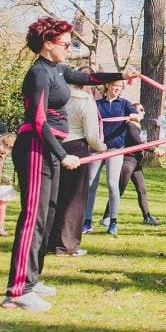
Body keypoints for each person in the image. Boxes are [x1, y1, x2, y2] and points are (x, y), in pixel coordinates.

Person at [4, 16, 131, 312]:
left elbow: (87, 78)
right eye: (65, 44)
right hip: (36, 147)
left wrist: (122, 75)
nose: (69, 49)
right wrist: (63, 154)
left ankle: (32, 283)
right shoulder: (38, 74)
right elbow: (37, 121)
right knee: (34, 218)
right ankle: (17, 290)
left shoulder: (57, 69)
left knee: (48, 214)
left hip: (49, 147)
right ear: (48, 44)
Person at [47, 79, 105, 257]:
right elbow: (92, 135)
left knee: (54, 195)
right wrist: (102, 147)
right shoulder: (85, 100)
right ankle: (67, 245)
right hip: (76, 149)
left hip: (54, 147)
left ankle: (48, 242)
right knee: (75, 199)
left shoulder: (55, 96)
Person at [83, 79, 138, 236]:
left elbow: (136, 113)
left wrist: (135, 117)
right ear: (108, 86)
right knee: (90, 184)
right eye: (114, 86)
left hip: (115, 149)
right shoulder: (98, 105)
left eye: (119, 87)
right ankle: (87, 221)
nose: (117, 89)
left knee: (113, 184)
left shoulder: (124, 104)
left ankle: (113, 221)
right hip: (97, 148)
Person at [101, 104, 160, 227]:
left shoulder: (138, 126)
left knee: (142, 190)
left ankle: (147, 217)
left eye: (143, 110)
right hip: (127, 161)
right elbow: (138, 142)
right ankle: (106, 217)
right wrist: (155, 150)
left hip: (136, 162)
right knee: (119, 190)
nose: (143, 112)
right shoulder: (130, 126)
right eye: (140, 110)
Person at [0, 133, 16, 237]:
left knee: (2, 206)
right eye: (4, 145)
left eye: (8, 147)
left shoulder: (11, 157)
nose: (6, 149)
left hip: (5, 184)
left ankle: (0, 227)